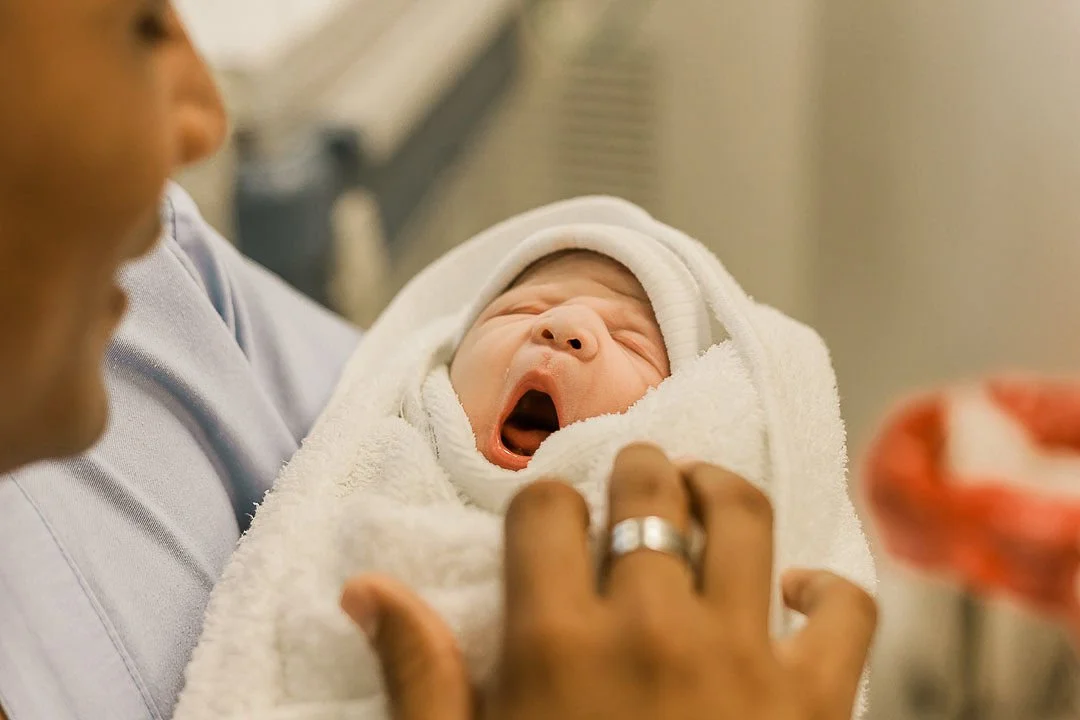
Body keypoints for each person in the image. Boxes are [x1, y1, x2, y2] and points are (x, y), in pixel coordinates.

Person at [0, 2, 878, 719]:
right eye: (140, 25)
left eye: (631, 339)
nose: (204, 119)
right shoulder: (397, 437)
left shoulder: (143, 283)